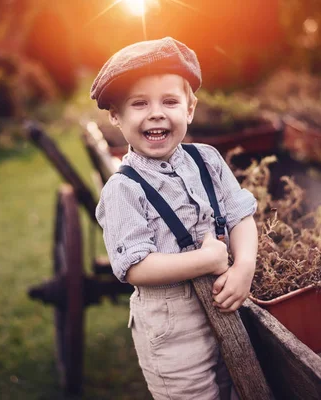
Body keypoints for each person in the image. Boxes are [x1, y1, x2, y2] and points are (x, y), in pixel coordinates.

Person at [92, 37, 258, 400]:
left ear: (190, 109)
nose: (156, 113)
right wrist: (207, 259)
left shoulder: (208, 160)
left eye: (170, 101)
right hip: (170, 328)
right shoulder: (123, 189)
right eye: (139, 104)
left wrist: (244, 266)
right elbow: (134, 267)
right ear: (116, 116)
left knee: (234, 389)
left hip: (225, 305)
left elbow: (240, 215)